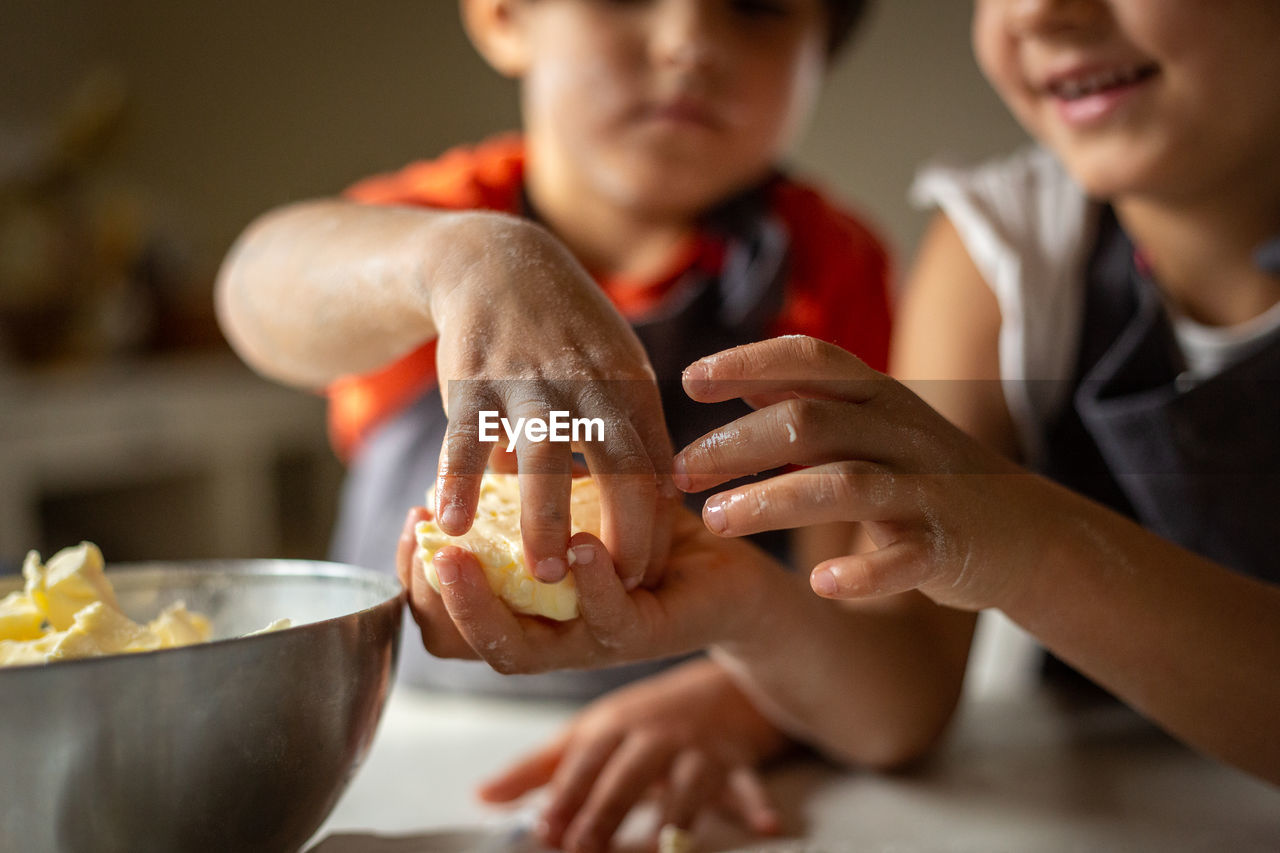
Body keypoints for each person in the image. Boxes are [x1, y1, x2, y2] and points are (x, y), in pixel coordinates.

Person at [403, 0, 1280, 843]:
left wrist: (1033, 544)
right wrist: (751, 610)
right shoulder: (1002, 251)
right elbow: (908, 682)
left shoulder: (841, 267)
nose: (1044, 9)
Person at [220, 2, 971, 849]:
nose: (690, 42)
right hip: (384, 746)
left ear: (821, 51)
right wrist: (462, 263)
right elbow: (253, 286)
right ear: (506, 16)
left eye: (756, 6)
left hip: (675, 791)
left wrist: (747, 707)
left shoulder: (825, 272)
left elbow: (853, 600)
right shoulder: (432, 226)